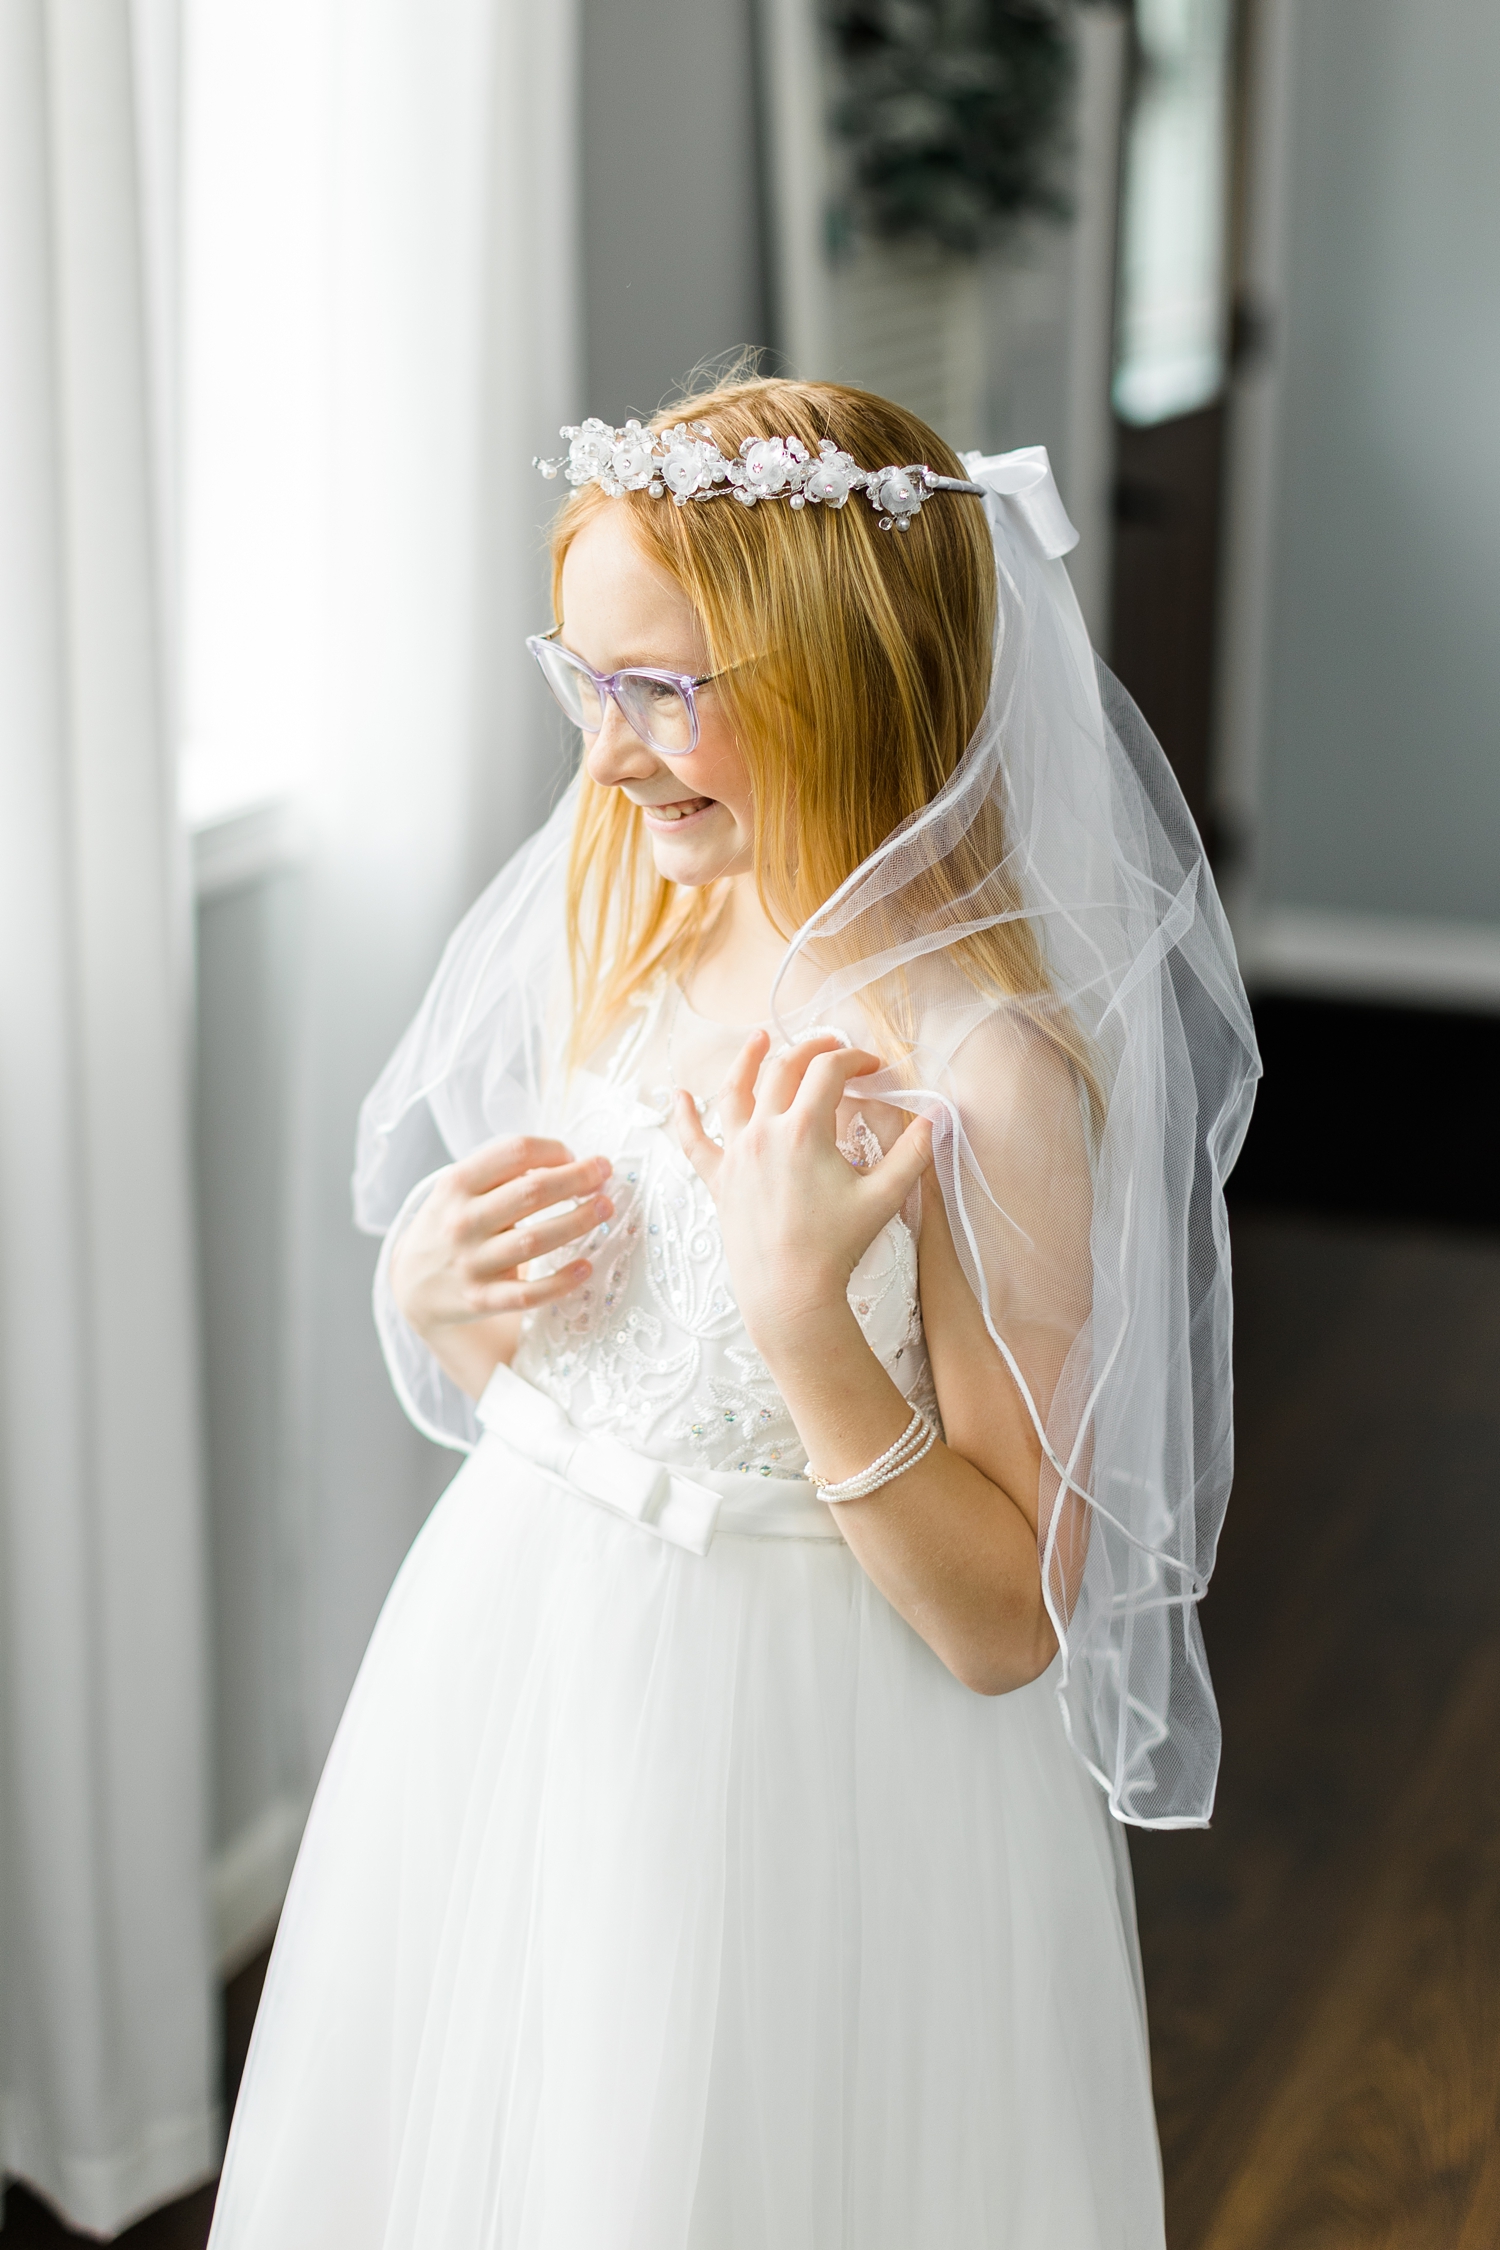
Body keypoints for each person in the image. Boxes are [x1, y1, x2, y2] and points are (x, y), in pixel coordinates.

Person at [207, 378, 1258, 2248]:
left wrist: (808, 1322)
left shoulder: (983, 1068)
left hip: (795, 1765)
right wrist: (441, 1291)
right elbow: (584, 1379)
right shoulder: (645, 927)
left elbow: (1015, 1620)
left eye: (666, 687)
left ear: (849, 672)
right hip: (514, 1680)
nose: (608, 756)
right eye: (586, 680)